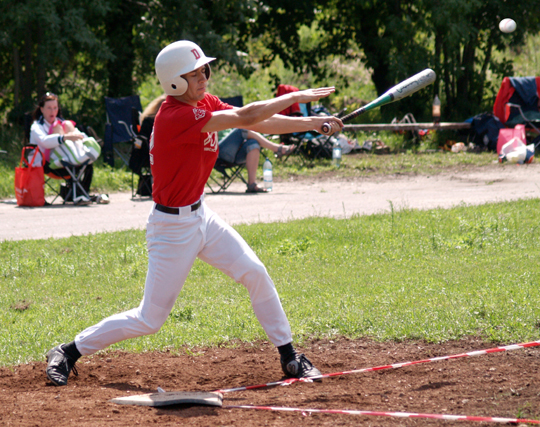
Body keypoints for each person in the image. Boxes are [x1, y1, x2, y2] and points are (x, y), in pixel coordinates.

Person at [45, 40, 343, 386]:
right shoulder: (176, 116)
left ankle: (289, 356)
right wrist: (297, 98)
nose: (203, 77)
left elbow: (256, 123)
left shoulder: (202, 103)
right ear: (174, 81)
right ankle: (68, 350)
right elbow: (247, 116)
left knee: (255, 272)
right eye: (194, 73)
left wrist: (313, 122)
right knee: (149, 319)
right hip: (171, 228)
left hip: (202, 216)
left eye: (204, 70)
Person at [29, 92, 108, 205]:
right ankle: (79, 195)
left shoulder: (63, 123)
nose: (52, 111)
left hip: (66, 160)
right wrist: (64, 137)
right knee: (70, 158)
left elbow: (79, 135)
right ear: (41, 109)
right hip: (46, 164)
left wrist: (82, 138)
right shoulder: (36, 126)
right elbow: (45, 142)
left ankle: (82, 193)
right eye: (49, 108)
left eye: (55, 108)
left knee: (87, 162)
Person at [217, 128, 295, 193]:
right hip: (219, 153)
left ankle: (252, 185)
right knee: (241, 129)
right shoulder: (214, 116)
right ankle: (277, 148)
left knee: (253, 143)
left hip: (235, 153)